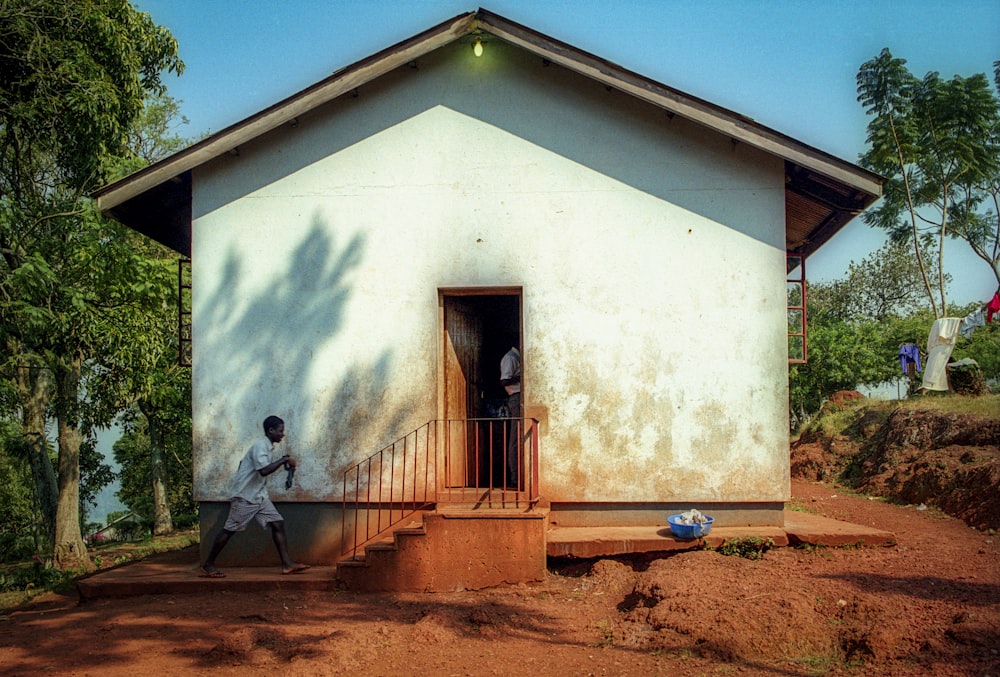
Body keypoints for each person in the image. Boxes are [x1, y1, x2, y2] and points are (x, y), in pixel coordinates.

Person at [201, 415, 311, 577]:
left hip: (258, 496)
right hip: (245, 497)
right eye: (280, 431)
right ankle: (209, 564)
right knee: (229, 530)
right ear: (270, 430)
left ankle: (287, 564)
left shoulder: (267, 447)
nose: (283, 434)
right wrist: (283, 460)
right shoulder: (260, 447)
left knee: (277, 523)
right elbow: (264, 470)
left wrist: (284, 463)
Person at [500, 345, 521, 487]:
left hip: (521, 397)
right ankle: (515, 477)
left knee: (520, 438)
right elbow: (504, 381)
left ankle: (520, 476)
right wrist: (521, 376)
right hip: (516, 397)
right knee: (515, 438)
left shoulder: (518, 357)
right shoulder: (510, 357)